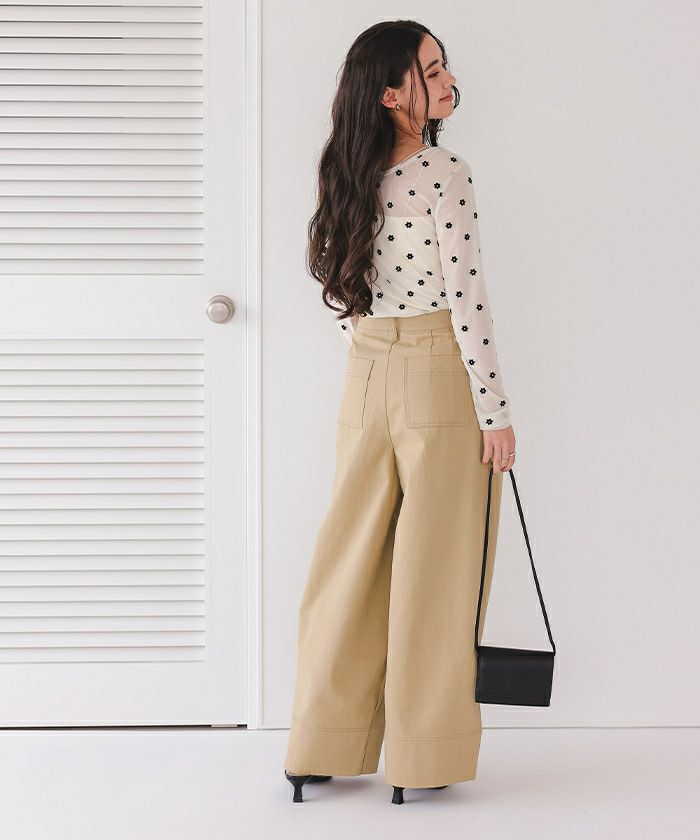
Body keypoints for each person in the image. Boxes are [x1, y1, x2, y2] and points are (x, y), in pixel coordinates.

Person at [284, 19, 516, 805]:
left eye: (444, 66)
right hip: (438, 371)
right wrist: (495, 412)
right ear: (391, 95)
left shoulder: (344, 171)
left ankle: (319, 743)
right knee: (437, 572)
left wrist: (376, 351)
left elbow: (340, 282)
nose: (447, 81)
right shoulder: (444, 171)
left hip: (366, 371)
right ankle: (422, 756)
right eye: (430, 70)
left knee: (349, 564)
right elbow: (467, 299)